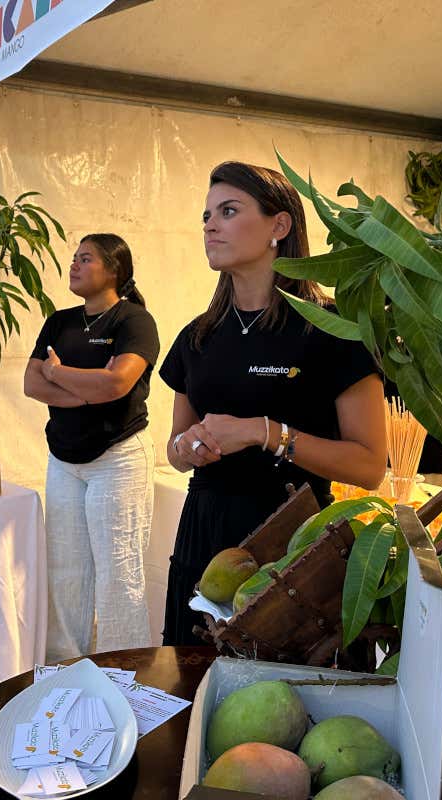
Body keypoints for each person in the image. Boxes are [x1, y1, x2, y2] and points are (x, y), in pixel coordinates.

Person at [159, 161, 386, 646]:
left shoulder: (332, 331)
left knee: (277, 682)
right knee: (192, 672)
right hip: (203, 534)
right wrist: (189, 446)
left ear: (279, 226)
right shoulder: (197, 337)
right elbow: (175, 449)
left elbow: (369, 467)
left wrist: (264, 432)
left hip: (292, 540)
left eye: (228, 211)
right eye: (206, 216)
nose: (210, 225)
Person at [24, 234, 159, 659]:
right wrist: (87, 391)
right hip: (64, 459)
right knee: (66, 573)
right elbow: (31, 383)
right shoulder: (59, 321)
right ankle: (66, 668)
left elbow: (117, 383)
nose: (74, 265)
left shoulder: (134, 321)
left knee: (119, 573)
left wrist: (58, 373)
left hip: (118, 458)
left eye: (85, 259)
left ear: (114, 270)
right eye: (74, 258)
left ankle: (125, 671)